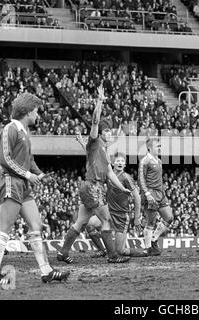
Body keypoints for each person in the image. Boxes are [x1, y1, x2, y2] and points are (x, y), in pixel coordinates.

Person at [0, 93, 70, 285]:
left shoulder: (24, 131)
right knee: (3, 230)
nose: (38, 115)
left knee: (36, 225)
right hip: (12, 183)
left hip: (22, 185)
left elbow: (29, 160)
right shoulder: (10, 128)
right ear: (26, 111)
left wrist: (38, 174)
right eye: (36, 111)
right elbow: (4, 159)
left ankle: (46, 271)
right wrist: (28, 175)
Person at [57, 84, 132, 264]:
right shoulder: (94, 140)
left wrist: (122, 188)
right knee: (106, 219)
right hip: (92, 187)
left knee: (81, 222)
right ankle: (113, 256)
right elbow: (95, 121)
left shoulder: (104, 151)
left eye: (109, 131)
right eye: (106, 130)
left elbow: (110, 174)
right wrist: (99, 101)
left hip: (91, 186)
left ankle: (63, 253)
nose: (108, 133)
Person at [86, 152, 147, 257]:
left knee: (120, 251)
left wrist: (137, 218)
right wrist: (85, 146)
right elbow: (96, 158)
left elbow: (137, 197)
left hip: (121, 216)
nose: (120, 162)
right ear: (112, 163)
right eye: (118, 161)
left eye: (122, 161)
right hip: (108, 212)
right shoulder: (109, 174)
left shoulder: (126, 178)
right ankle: (102, 250)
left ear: (125, 165)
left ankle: (143, 252)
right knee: (90, 224)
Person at [139, 136, 174, 256]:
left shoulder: (159, 161)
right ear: (149, 148)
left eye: (159, 146)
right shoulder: (145, 161)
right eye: (157, 146)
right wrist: (147, 194)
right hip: (151, 193)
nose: (159, 147)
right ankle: (148, 248)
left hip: (160, 194)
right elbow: (141, 179)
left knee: (169, 217)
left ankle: (154, 239)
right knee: (150, 223)